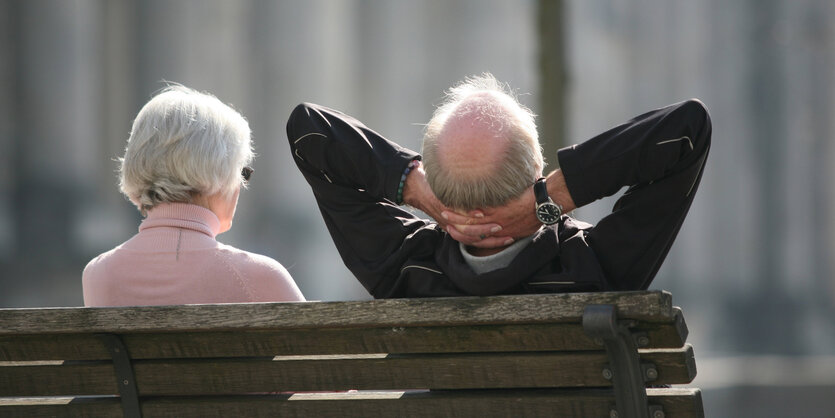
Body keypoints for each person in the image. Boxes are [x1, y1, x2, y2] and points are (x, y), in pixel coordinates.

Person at [286, 74, 710, 298]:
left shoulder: (403, 269)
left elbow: (311, 134)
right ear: (538, 165)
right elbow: (687, 130)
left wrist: (417, 191)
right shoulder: (596, 265)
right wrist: (550, 201)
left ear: (439, 184)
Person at [83, 85, 305, 306]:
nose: (240, 186)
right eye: (242, 173)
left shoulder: (98, 273)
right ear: (220, 172)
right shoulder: (259, 276)